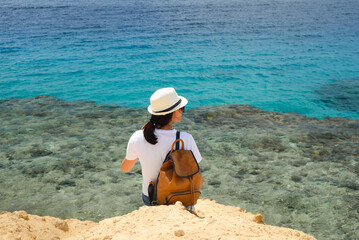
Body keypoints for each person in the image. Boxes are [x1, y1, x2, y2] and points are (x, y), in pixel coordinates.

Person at [121, 87, 202, 206]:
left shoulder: (138, 136)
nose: (182, 111)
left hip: (151, 197)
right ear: (172, 113)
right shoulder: (185, 138)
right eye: (181, 108)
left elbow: (125, 168)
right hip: (179, 196)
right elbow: (197, 176)